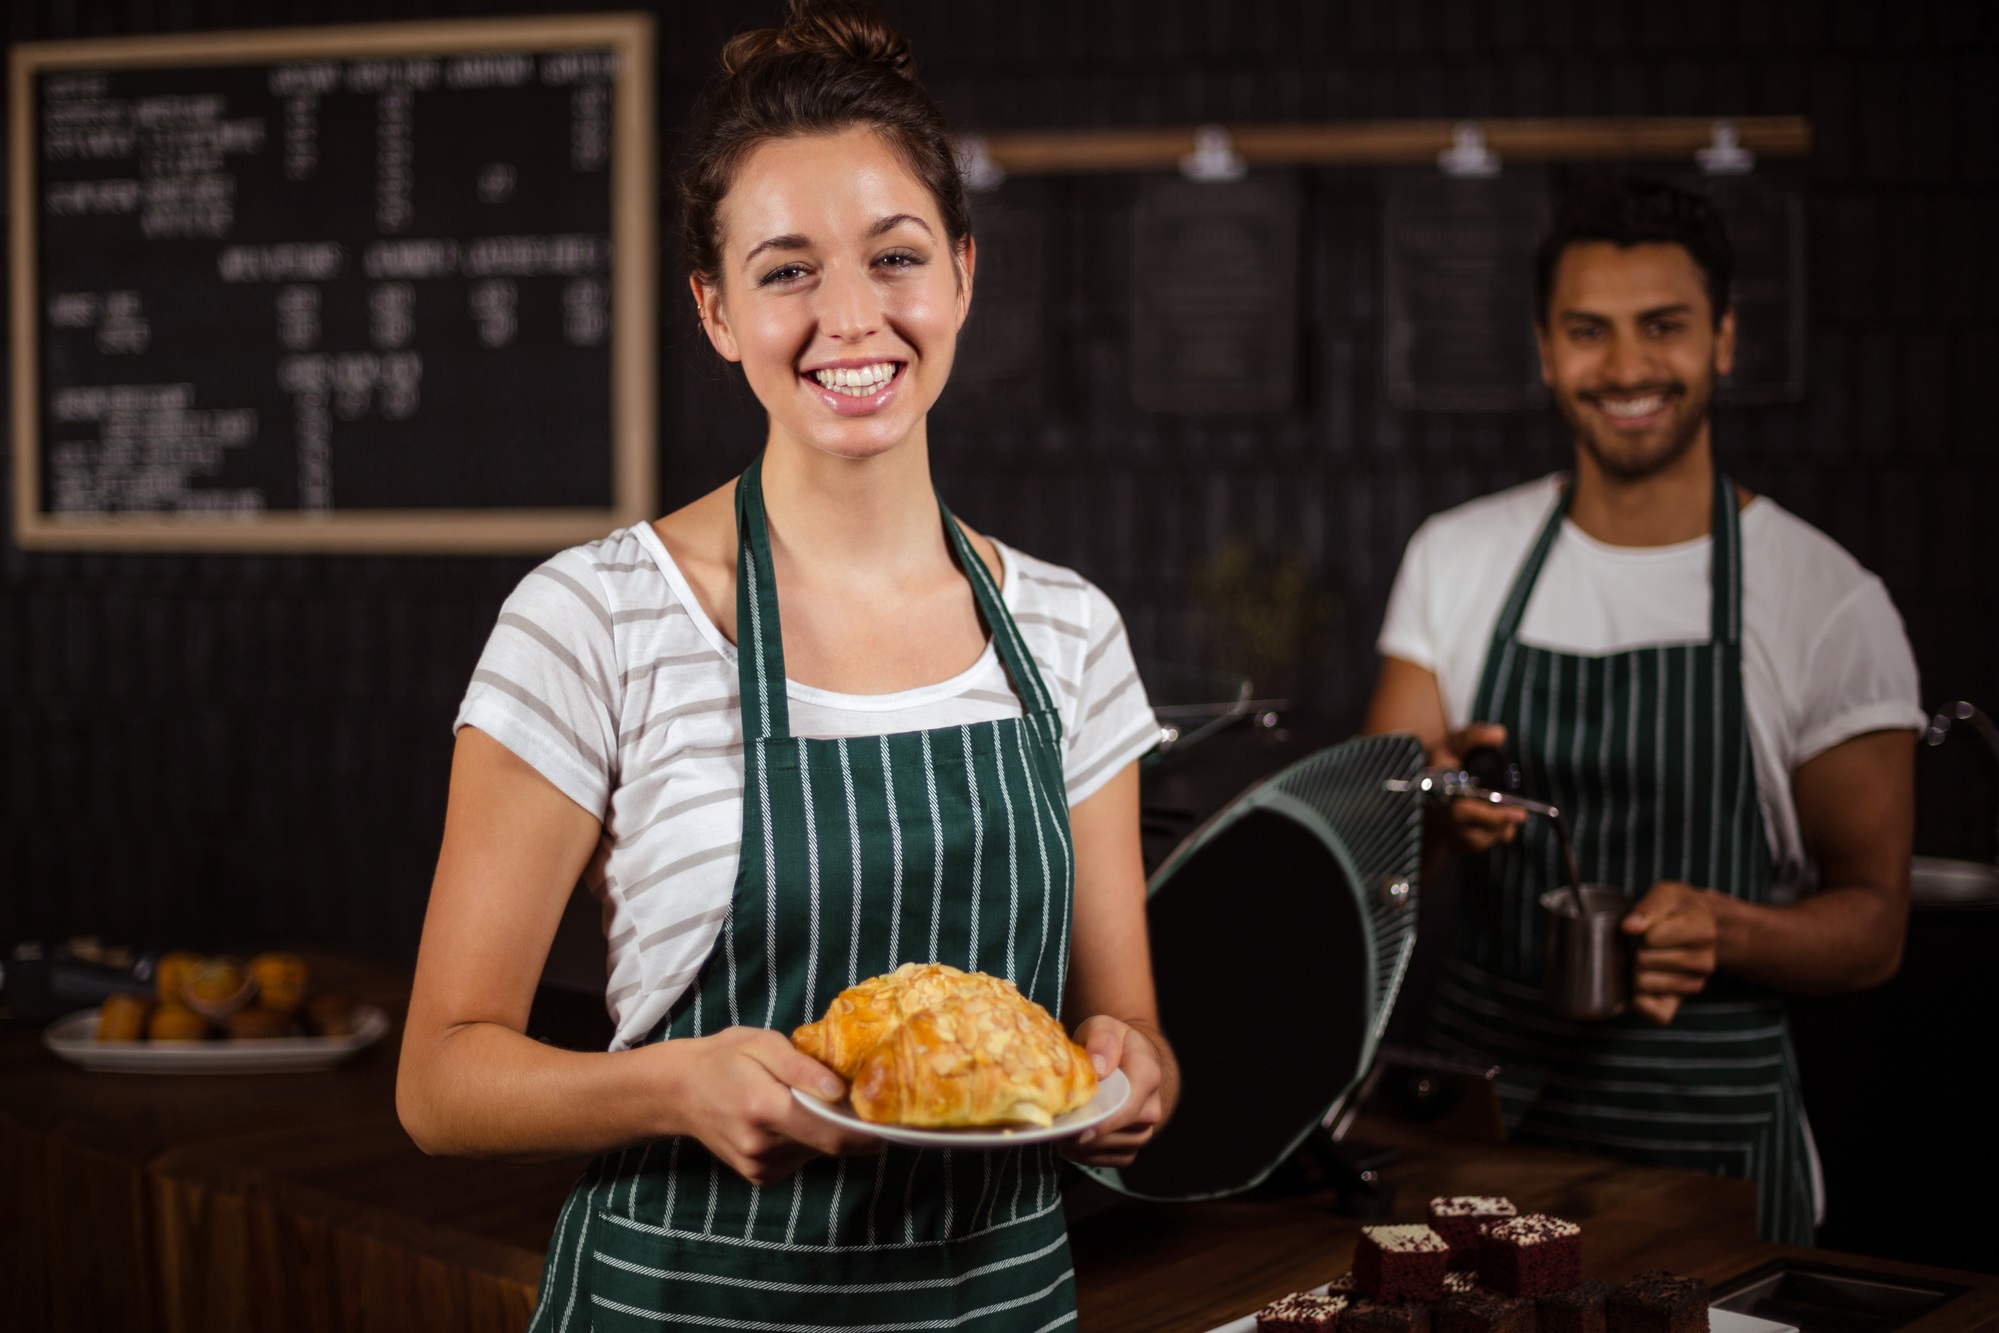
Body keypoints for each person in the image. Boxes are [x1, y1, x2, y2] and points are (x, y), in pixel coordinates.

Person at [394, 5, 1177, 1326]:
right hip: (682, 1297)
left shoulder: (1068, 631)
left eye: (894, 256)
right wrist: (669, 1085)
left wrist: (1134, 1073)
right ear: (713, 309)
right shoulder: (591, 620)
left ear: (962, 276)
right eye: (785, 270)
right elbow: (439, 1082)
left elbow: (1126, 1036)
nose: (851, 318)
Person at [1362, 177, 1922, 1245]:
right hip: (1480, 1138)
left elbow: (1875, 926)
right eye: (1588, 332)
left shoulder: (1824, 598)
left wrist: (1729, 927)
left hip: (1710, 1145)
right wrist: (1428, 820)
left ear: (1721, 339)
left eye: (1661, 327)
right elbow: (1364, 844)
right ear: (1543, 348)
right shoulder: (1456, 558)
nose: (1623, 369)